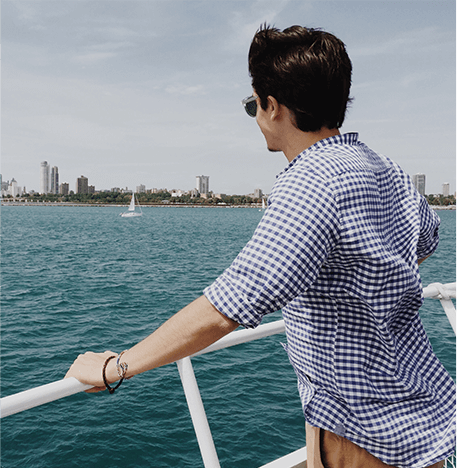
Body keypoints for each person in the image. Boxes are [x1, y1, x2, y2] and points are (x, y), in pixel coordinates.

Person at [66, 25, 456, 468]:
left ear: (273, 107)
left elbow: (226, 307)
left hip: (364, 432)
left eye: (253, 105)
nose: (255, 116)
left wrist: (116, 367)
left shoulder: (310, 183)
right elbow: (425, 241)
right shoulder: (385, 167)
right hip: (421, 416)